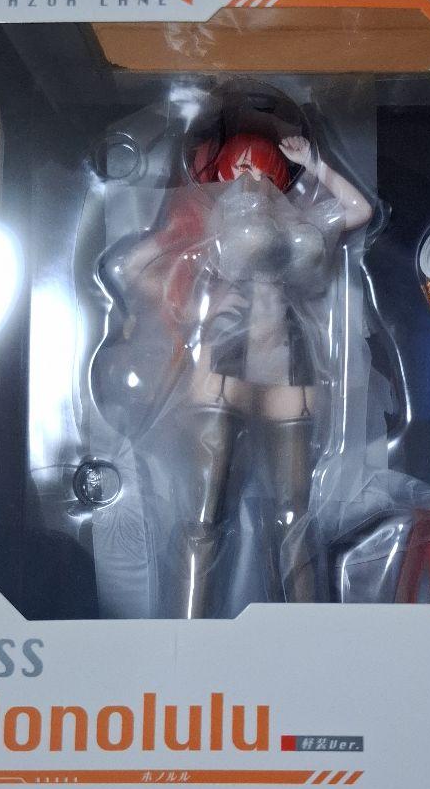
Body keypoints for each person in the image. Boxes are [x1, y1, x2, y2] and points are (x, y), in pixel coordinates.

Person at [108, 127, 372, 618]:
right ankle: (188, 634)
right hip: (224, 362)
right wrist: (189, 308)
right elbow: (134, 267)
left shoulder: (301, 218)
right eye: (240, 165)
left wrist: (315, 166)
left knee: (293, 518)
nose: (250, 176)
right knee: (202, 518)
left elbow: (359, 212)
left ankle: (308, 632)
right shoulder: (210, 216)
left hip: (289, 363)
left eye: (259, 166)